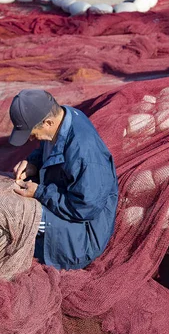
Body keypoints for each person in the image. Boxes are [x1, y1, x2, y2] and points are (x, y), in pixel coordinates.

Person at [8, 89, 118, 270]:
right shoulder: (62, 118)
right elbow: (50, 150)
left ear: (48, 122)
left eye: (32, 134)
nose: (30, 139)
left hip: (83, 235)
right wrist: (33, 163)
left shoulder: (84, 152)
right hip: (69, 203)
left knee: (17, 213)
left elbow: (85, 208)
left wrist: (39, 192)